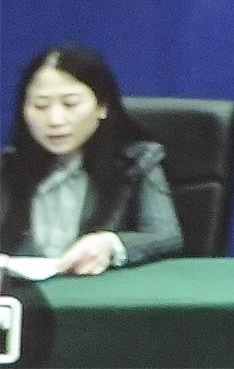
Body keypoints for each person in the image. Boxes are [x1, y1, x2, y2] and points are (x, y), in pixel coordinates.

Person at [0, 46, 183, 274]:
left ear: (102, 106)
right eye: (40, 106)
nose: (55, 120)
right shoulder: (7, 167)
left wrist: (111, 244)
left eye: (70, 104)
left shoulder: (137, 161)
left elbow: (166, 235)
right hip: (23, 294)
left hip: (102, 292)